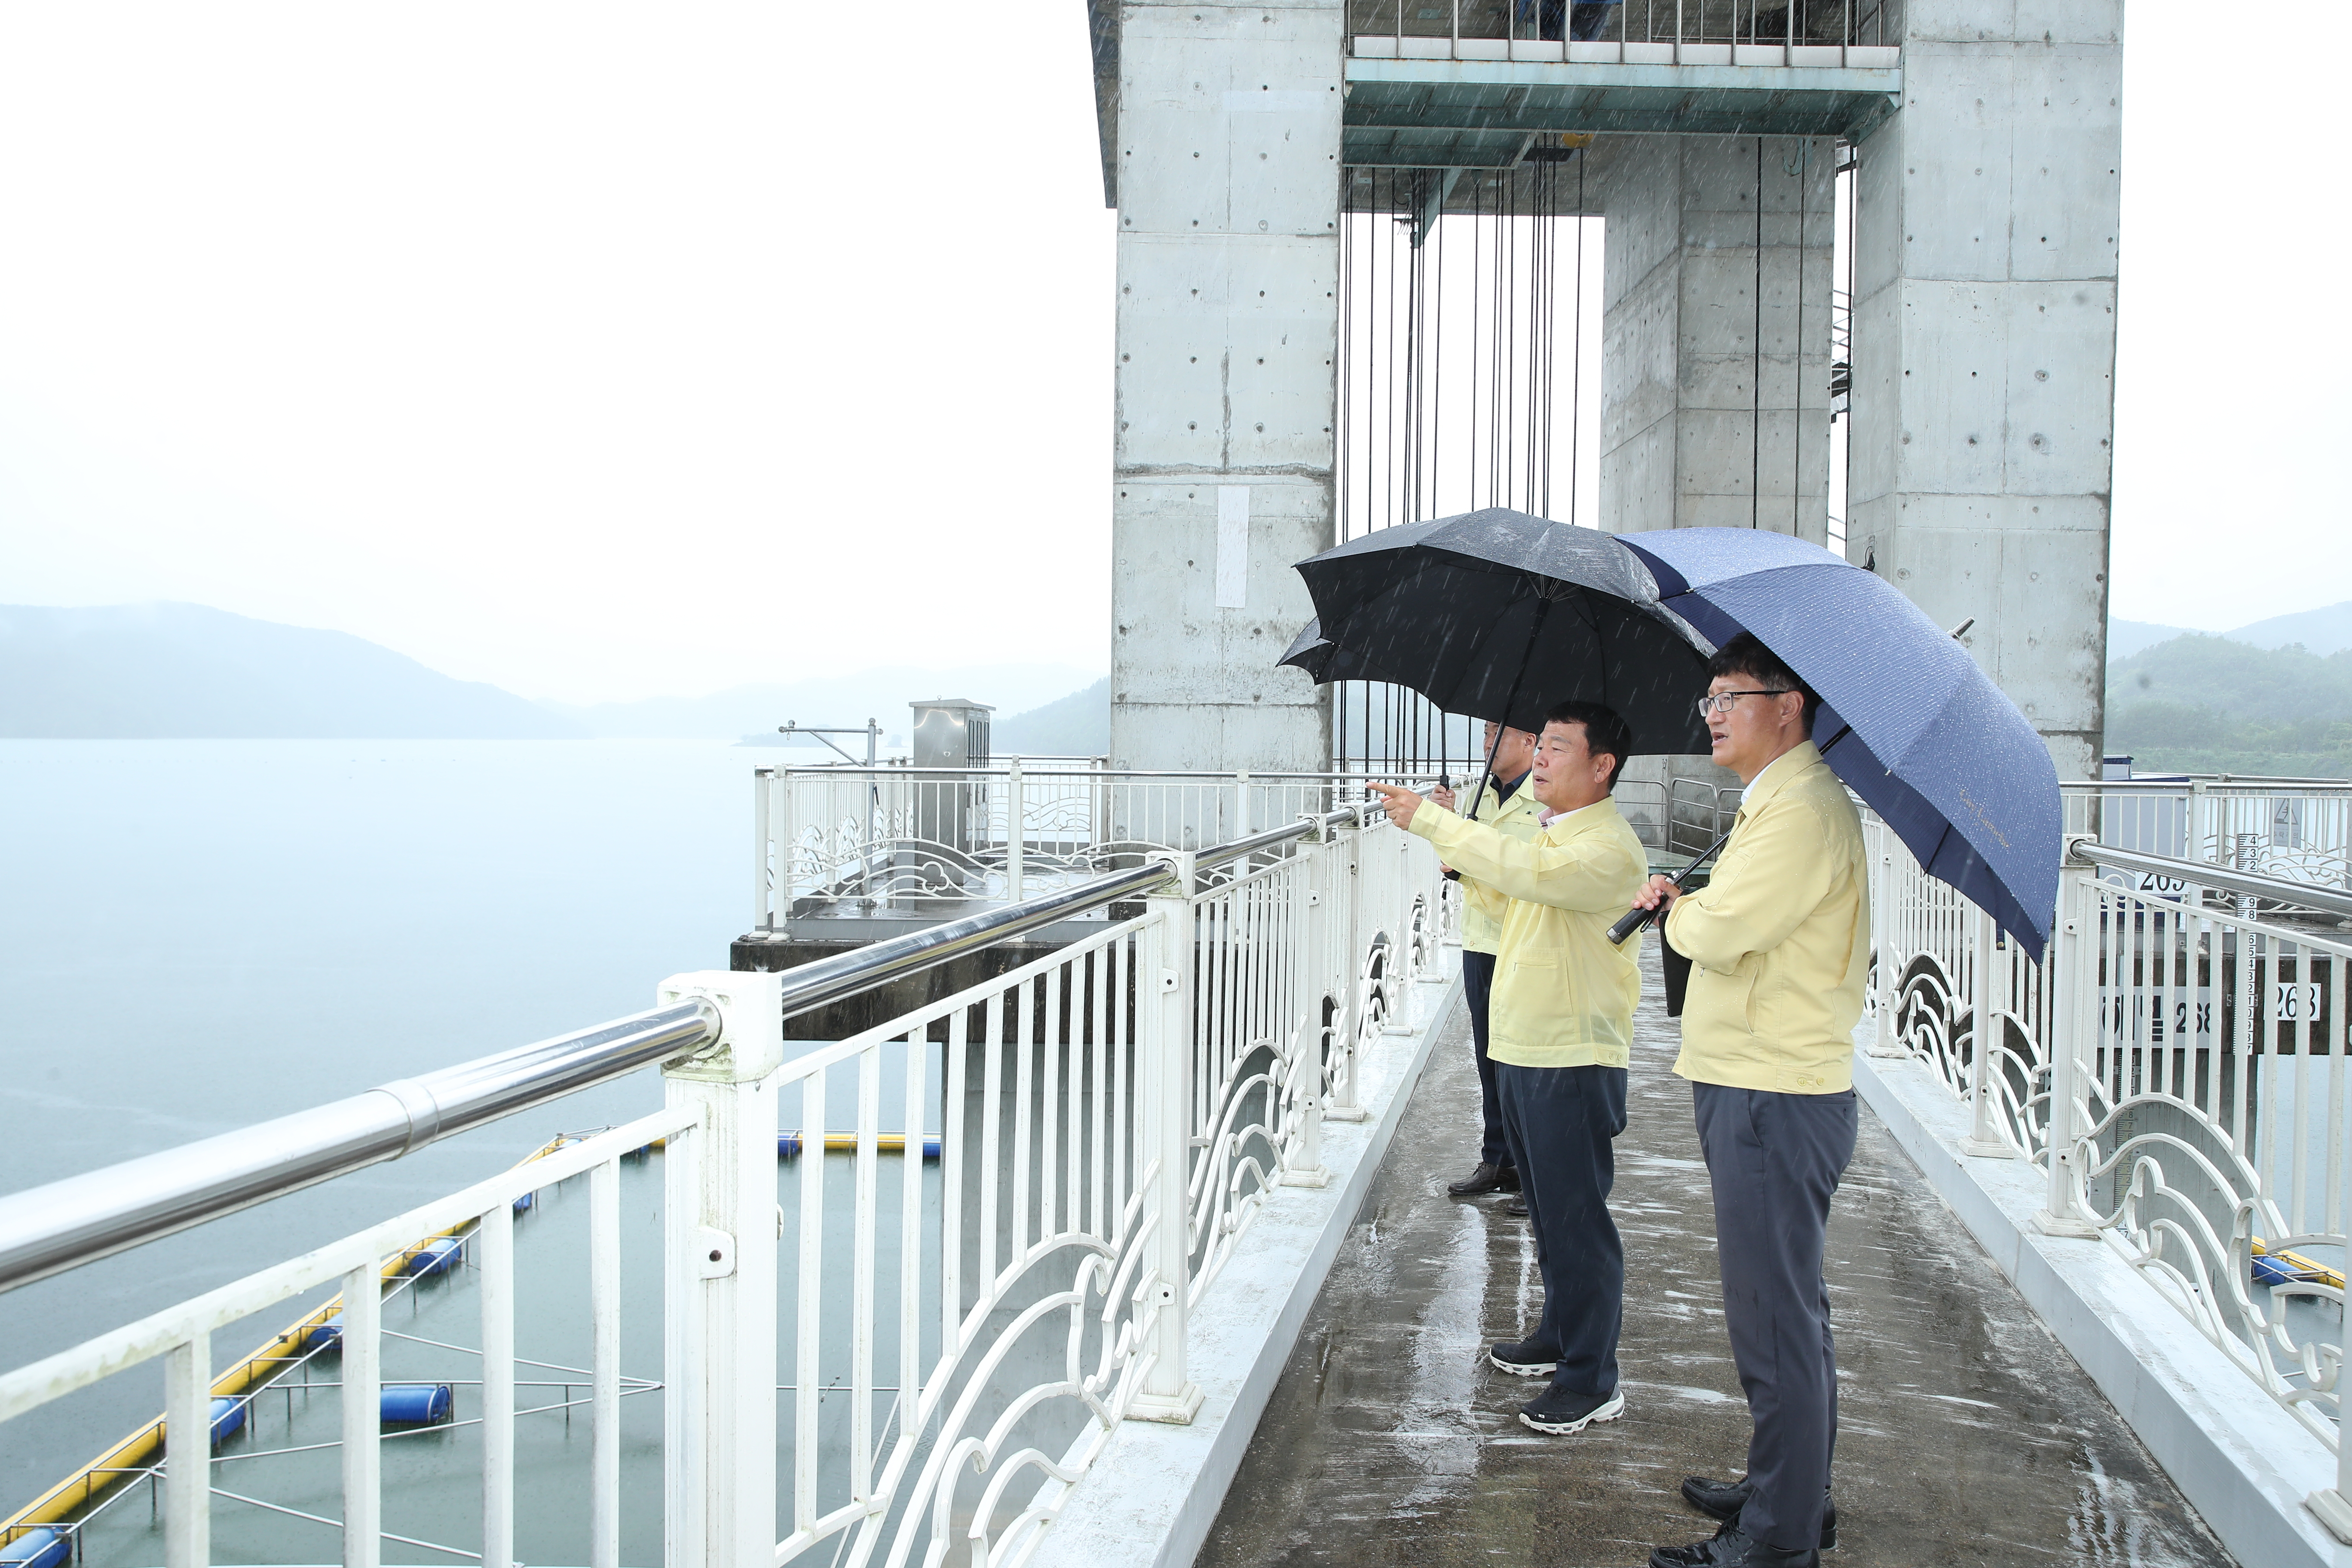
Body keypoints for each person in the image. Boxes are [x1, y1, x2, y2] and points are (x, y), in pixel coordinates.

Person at [1629, 634, 1869, 1568]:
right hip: (1763, 1082)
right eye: (1711, 697)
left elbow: (1726, 931)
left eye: (1736, 695)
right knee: (1787, 1313)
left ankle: (1777, 1541)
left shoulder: (1801, 811)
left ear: (1791, 704)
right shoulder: (1776, 805)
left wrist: (1677, 912)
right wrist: (1692, 905)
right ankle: (1788, 1493)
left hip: (1771, 1092)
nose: (1715, 711)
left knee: (1775, 1321)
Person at [1367, 701, 1647, 1438]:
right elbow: (1513, 891)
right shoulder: (1554, 834)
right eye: (1542, 745)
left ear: (1601, 766)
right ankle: (1558, 1334)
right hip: (1528, 1045)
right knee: (1551, 1214)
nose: (1543, 760)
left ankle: (1591, 1377)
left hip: (1570, 1052)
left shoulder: (1606, 846)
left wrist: (1433, 822)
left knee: (1577, 1218)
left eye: (1558, 747)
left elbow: (1528, 870)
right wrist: (1464, 860)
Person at [1430, 721, 1544, 1203]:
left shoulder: (1545, 799)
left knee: (1525, 1062)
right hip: (1480, 941)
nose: (1488, 744)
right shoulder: (1478, 795)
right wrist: (1446, 823)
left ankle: (1532, 1171)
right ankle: (1497, 1159)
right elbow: (1458, 864)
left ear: (1530, 743)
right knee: (1489, 1057)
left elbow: (1521, 869)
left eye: (1501, 733)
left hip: (1522, 945)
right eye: (1485, 734)